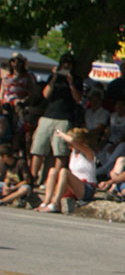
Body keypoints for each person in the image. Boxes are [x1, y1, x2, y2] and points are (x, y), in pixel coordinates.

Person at [29, 54, 83, 186]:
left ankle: (51, 181)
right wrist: (53, 78)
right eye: (64, 62)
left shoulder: (76, 79)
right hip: (48, 116)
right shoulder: (54, 77)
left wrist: (70, 83)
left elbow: (78, 99)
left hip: (64, 118)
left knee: (60, 151)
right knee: (38, 149)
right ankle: (32, 178)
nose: (66, 65)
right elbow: (46, 94)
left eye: (69, 63)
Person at [36, 127, 96, 214]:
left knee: (64, 171)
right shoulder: (73, 153)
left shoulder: (88, 152)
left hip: (87, 188)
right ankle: (46, 202)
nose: (68, 145)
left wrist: (61, 134)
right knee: (53, 171)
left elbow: (73, 141)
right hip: (73, 186)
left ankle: (55, 203)